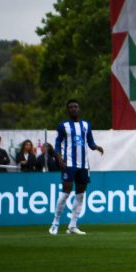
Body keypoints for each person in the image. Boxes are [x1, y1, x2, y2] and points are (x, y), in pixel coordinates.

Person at [49, 100, 104, 235]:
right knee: (65, 193)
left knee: (80, 195)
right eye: (71, 107)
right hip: (69, 164)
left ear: (79, 109)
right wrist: (59, 158)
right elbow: (57, 144)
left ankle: (72, 225)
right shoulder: (63, 126)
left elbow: (90, 143)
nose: (73, 109)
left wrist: (96, 147)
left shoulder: (86, 125)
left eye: (75, 107)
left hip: (83, 165)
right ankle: (55, 223)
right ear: (68, 110)